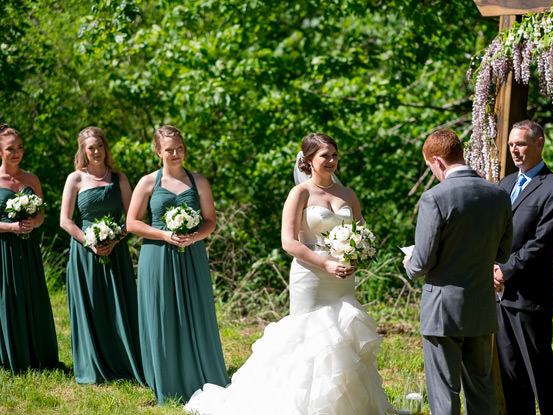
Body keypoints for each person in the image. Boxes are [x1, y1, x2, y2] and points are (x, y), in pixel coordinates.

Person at [184, 133, 394, 414]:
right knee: (310, 338)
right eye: (324, 156)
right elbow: (289, 242)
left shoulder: (348, 195)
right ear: (308, 160)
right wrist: (326, 264)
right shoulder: (300, 193)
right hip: (311, 276)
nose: (331, 160)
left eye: (334, 155)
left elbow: (359, 232)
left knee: (344, 335)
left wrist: (355, 255)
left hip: (342, 277)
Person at [404, 129, 512, 415]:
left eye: (430, 167)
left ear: (437, 161)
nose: (433, 173)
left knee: (444, 395)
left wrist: (410, 263)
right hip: (481, 307)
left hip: (442, 311)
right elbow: (502, 254)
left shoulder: (434, 198)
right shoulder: (499, 195)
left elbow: (423, 262)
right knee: (482, 391)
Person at [127, 125, 228, 404]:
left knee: (196, 310)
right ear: (158, 151)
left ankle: (202, 372)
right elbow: (132, 223)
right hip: (157, 256)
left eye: (179, 148)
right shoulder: (148, 182)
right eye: (169, 149)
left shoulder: (199, 182)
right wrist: (164, 234)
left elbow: (210, 220)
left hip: (191, 255)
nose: (175, 153)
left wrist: (193, 237)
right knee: (161, 314)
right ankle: (167, 379)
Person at [495, 120, 553, 415]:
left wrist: (506, 269)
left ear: (539, 144)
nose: (515, 150)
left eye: (521, 144)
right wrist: (491, 266)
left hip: (531, 296)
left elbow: (543, 244)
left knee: (540, 370)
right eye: (512, 144)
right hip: (502, 295)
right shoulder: (506, 184)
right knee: (511, 372)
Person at [58, 126, 143, 384]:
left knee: (118, 306)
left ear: (106, 147)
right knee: (92, 305)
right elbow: (65, 220)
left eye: (99, 146)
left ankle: (123, 360)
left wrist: (114, 240)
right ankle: (93, 364)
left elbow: (131, 218)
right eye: (90, 148)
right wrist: (91, 242)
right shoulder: (75, 179)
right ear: (83, 151)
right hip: (85, 253)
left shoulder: (119, 178)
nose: (96, 151)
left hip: (115, 251)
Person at [0, 123, 59, 373]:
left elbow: (42, 215)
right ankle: (9, 355)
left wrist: (34, 223)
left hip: (29, 249)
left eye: (20, 148)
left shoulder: (31, 179)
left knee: (32, 295)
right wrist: (11, 228)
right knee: (7, 298)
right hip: (3, 249)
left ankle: (38, 354)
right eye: (10, 148)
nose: (17, 153)